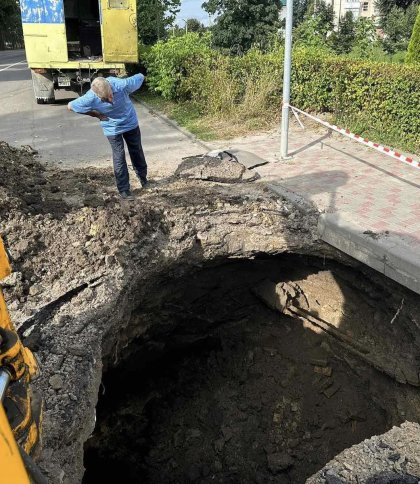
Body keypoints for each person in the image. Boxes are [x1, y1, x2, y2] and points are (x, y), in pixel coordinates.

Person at [67, 74, 147, 200]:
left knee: (136, 149)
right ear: (97, 96)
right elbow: (71, 106)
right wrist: (95, 114)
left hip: (130, 122)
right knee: (119, 155)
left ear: (111, 87)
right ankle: (124, 190)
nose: (111, 101)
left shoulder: (122, 85)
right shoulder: (90, 97)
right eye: (105, 99)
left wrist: (142, 76)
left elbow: (140, 77)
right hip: (112, 128)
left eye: (111, 96)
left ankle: (143, 178)